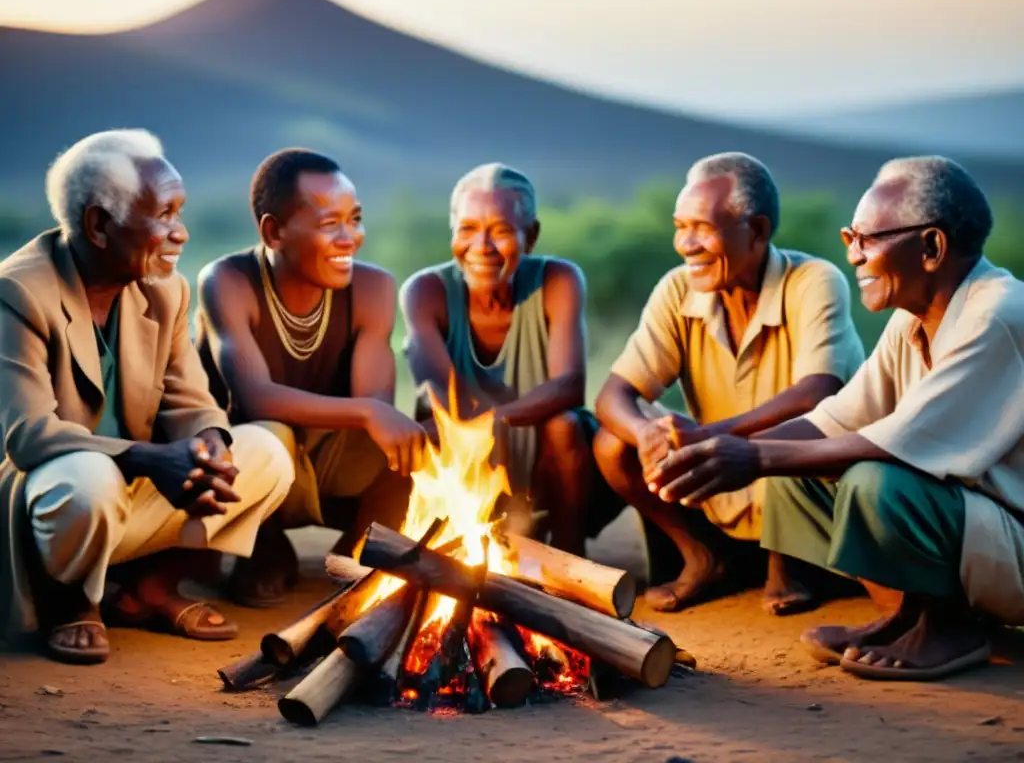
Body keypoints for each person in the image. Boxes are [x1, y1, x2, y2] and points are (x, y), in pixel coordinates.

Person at [646, 155, 1023, 681]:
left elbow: (894, 444)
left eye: (867, 239)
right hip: (978, 530)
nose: (853, 255)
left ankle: (951, 627)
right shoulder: (912, 319)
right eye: (850, 236)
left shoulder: (997, 314)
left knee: (878, 482)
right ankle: (905, 616)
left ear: (932, 247)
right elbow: (838, 418)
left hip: (1014, 536)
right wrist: (720, 456)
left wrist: (751, 454)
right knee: (794, 475)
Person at [0, 130, 295, 665]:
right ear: (98, 225)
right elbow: (28, 435)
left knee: (268, 451)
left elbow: (191, 399)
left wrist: (208, 447)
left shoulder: (166, 289)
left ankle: (150, 588)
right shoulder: (17, 292)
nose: (179, 233)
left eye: (180, 211)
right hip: (54, 505)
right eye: (164, 213)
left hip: (132, 489)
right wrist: (154, 458)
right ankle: (69, 602)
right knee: (89, 480)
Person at [594, 152, 864, 613]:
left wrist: (712, 437)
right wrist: (647, 434)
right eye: (680, 226)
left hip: (806, 480)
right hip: (720, 480)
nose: (685, 243)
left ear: (756, 231)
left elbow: (817, 394)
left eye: (701, 227)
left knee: (791, 429)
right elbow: (612, 396)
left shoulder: (814, 281)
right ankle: (705, 556)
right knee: (611, 444)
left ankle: (792, 558)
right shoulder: (679, 289)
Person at [195, 148, 426, 607]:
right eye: (329, 224)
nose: (350, 238)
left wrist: (374, 413)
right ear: (273, 231)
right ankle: (262, 546)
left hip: (327, 455)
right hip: (247, 457)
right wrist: (367, 411)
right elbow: (255, 398)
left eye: (355, 219)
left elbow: (375, 408)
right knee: (268, 433)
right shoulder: (228, 281)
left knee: (419, 440)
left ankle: (360, 549)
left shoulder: (373, 288)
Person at [400, 163, 597, 556]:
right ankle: (458, 541)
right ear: (453, 232)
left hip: (549, 462)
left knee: (566, 425)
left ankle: (569, 552)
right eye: (468, 229)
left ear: (532, 236)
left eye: (501, 231)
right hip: (470, 451)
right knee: (426, 425)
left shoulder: (559, 280)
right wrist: (481, 429)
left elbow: (570, 386)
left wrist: (496, 421)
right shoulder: (425, 291)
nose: (482, 247)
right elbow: (442, 395)